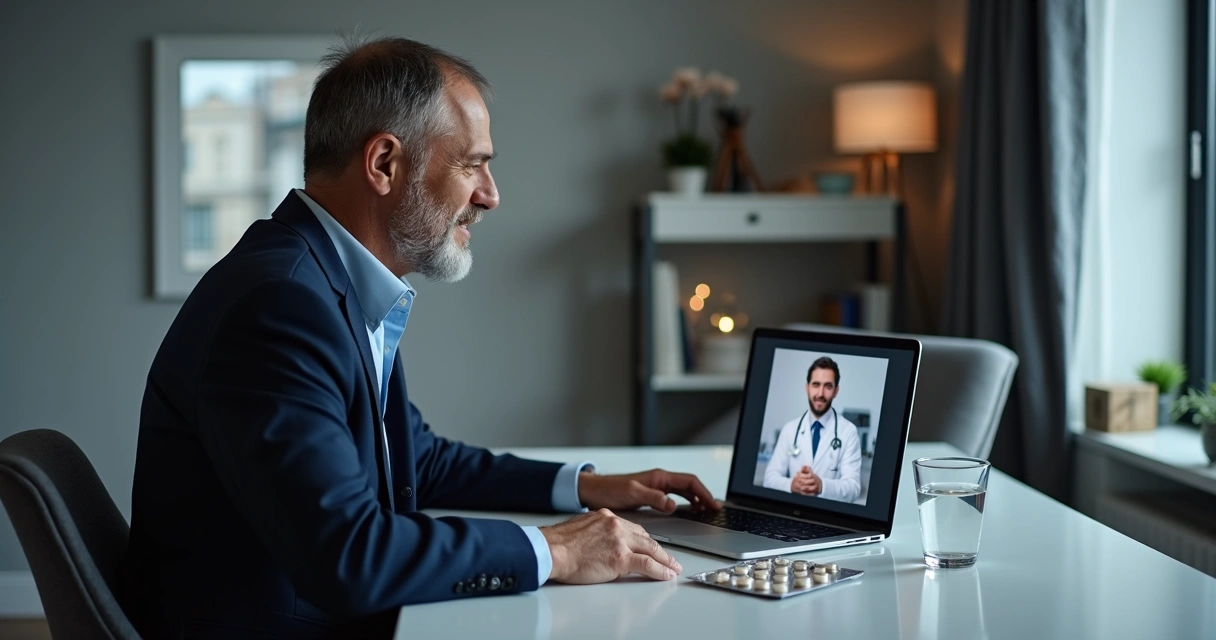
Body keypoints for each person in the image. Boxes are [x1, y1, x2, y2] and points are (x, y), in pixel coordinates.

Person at [122, 36, 718, 639]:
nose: (490, 194)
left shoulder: (324, 280)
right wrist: (553, 552)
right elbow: (349, 557)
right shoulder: (280, 306)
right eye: (471, 163)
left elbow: (413, 456)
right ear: (384, 163)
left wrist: (585, 487)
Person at [761, 357, 862, 502]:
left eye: (828, 386)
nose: (820, 393)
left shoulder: (848, 432)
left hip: (829, 515)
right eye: (816, 385)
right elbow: (769, 479)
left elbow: (853, 488)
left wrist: (822, 485)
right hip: (793, 511)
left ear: (835, 391)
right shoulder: (790, 429)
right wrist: (791, 485)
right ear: (807, 388)